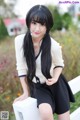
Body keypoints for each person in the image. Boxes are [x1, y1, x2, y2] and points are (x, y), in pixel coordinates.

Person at [14, 5, 75, 120]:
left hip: (55, 84)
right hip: (38, 86)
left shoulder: (53, 45)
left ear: (48, 26)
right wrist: (26, 92)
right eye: (34, 23)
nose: (37, 29)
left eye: (42, 24)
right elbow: (21, 67)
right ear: (28, 23)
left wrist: (56, 77)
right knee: (46, 112)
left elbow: (59, 64)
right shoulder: (20, 41)